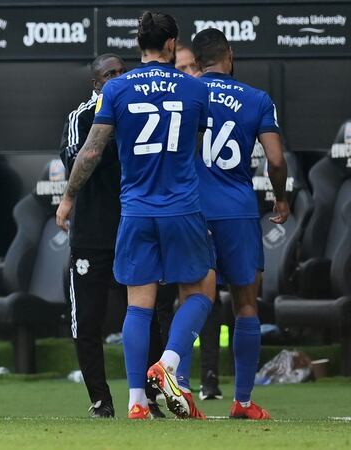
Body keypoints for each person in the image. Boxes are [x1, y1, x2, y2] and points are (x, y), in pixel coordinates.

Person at [56, 11, 216, 419]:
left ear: (139, 45)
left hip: (136, 211)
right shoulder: (195, 89)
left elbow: (90, 152)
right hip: (181, 207)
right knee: (200, 291)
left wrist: (69, 196)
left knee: (137, 307)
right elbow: (195, 147)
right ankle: (169, 364)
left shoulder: (118, 89)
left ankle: (135, 401)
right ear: (170, 45)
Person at [60, 54, 166, 419]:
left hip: (135, 227)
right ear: (96, 84)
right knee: (87, 319)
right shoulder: (81, 117)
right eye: (110, 75)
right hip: (92, 233)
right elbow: (77, 161)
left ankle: (149, 396)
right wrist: (109, 127)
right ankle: (100, 399)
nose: (118, 78)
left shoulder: (140, 111)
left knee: (148, 314)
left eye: (123, 72)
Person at [191, 28, 289, 420]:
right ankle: (243, 402)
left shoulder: (186, 92)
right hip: (238, 211)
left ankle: (181, 390)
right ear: (229, 54)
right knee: (246, 305)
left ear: (196, 61)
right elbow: (277, 161)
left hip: (192, 210)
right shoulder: (257, 98)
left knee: (193, 300)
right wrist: (280, 197)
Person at [175, 41, 224, 401]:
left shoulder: (209, 102)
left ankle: (209, 377)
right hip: (182, 210)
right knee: (183, 295)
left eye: (194, 67)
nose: (192, 75)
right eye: (182, 69)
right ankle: (178, 375)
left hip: (221, 206)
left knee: (212, 294)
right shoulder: (171, 111)